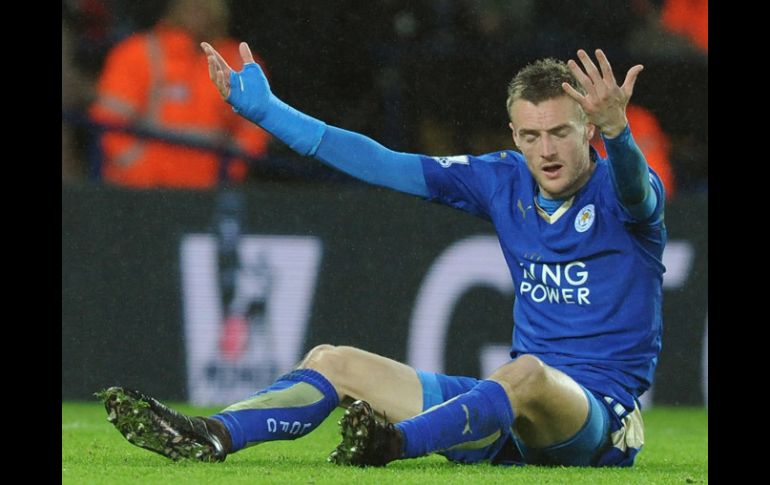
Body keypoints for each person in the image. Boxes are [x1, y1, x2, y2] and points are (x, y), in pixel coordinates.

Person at [100, 44, 665, 468]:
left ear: (588, 127)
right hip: (507, 418)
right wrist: (270, 114)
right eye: (532, 135)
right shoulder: (502, 179)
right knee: (332, 360)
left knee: (526, 373)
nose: (546, 150)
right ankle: (211, 435)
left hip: (595, 419)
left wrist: (621, 136)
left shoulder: (621, 188)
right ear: (514, 135)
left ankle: (392, 444)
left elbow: (639, 191)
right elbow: (382, 162)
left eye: (561, 133)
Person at [89, 0, 270, 188]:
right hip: (142, 192)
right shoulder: (137, 53)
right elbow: (109, 121)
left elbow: (256, 128)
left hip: (209, 193)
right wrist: (140, 171)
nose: (197, 7)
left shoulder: (240, 62)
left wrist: (228, 171)